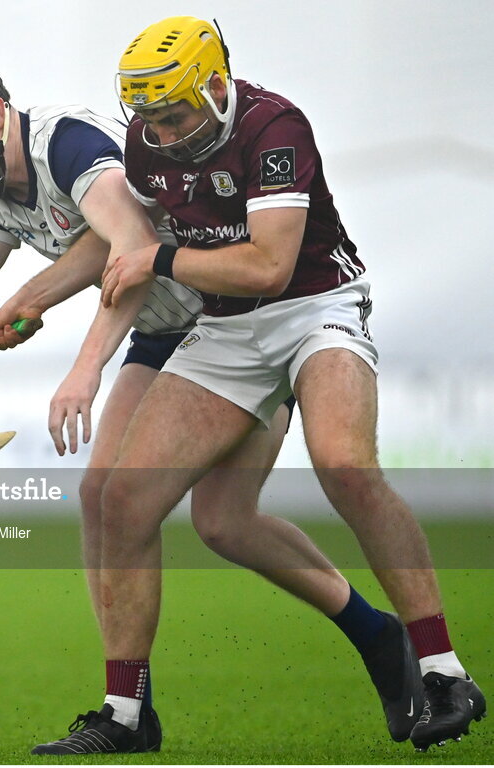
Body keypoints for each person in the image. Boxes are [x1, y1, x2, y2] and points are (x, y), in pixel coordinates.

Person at [0, 51, 428, 755]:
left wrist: (74, 356)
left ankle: (381, 638)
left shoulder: (70, 143)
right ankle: (127, 709)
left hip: (229, 327)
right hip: (158, 339)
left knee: (220, 521)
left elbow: (132, 247)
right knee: (131, 505)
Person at [44, 15, 486, 754]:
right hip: (224, 331)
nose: (162, 130)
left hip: (314, 309)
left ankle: (442, 671)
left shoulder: (274, 127)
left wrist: (159, 261)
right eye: (146, 116)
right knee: (123, 498)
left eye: (175, 111)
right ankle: (126, 714)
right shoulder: (143, 144)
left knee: (343, 463)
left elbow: (266, 267)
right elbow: (118, 249)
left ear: (215, 84)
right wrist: (43, 307)